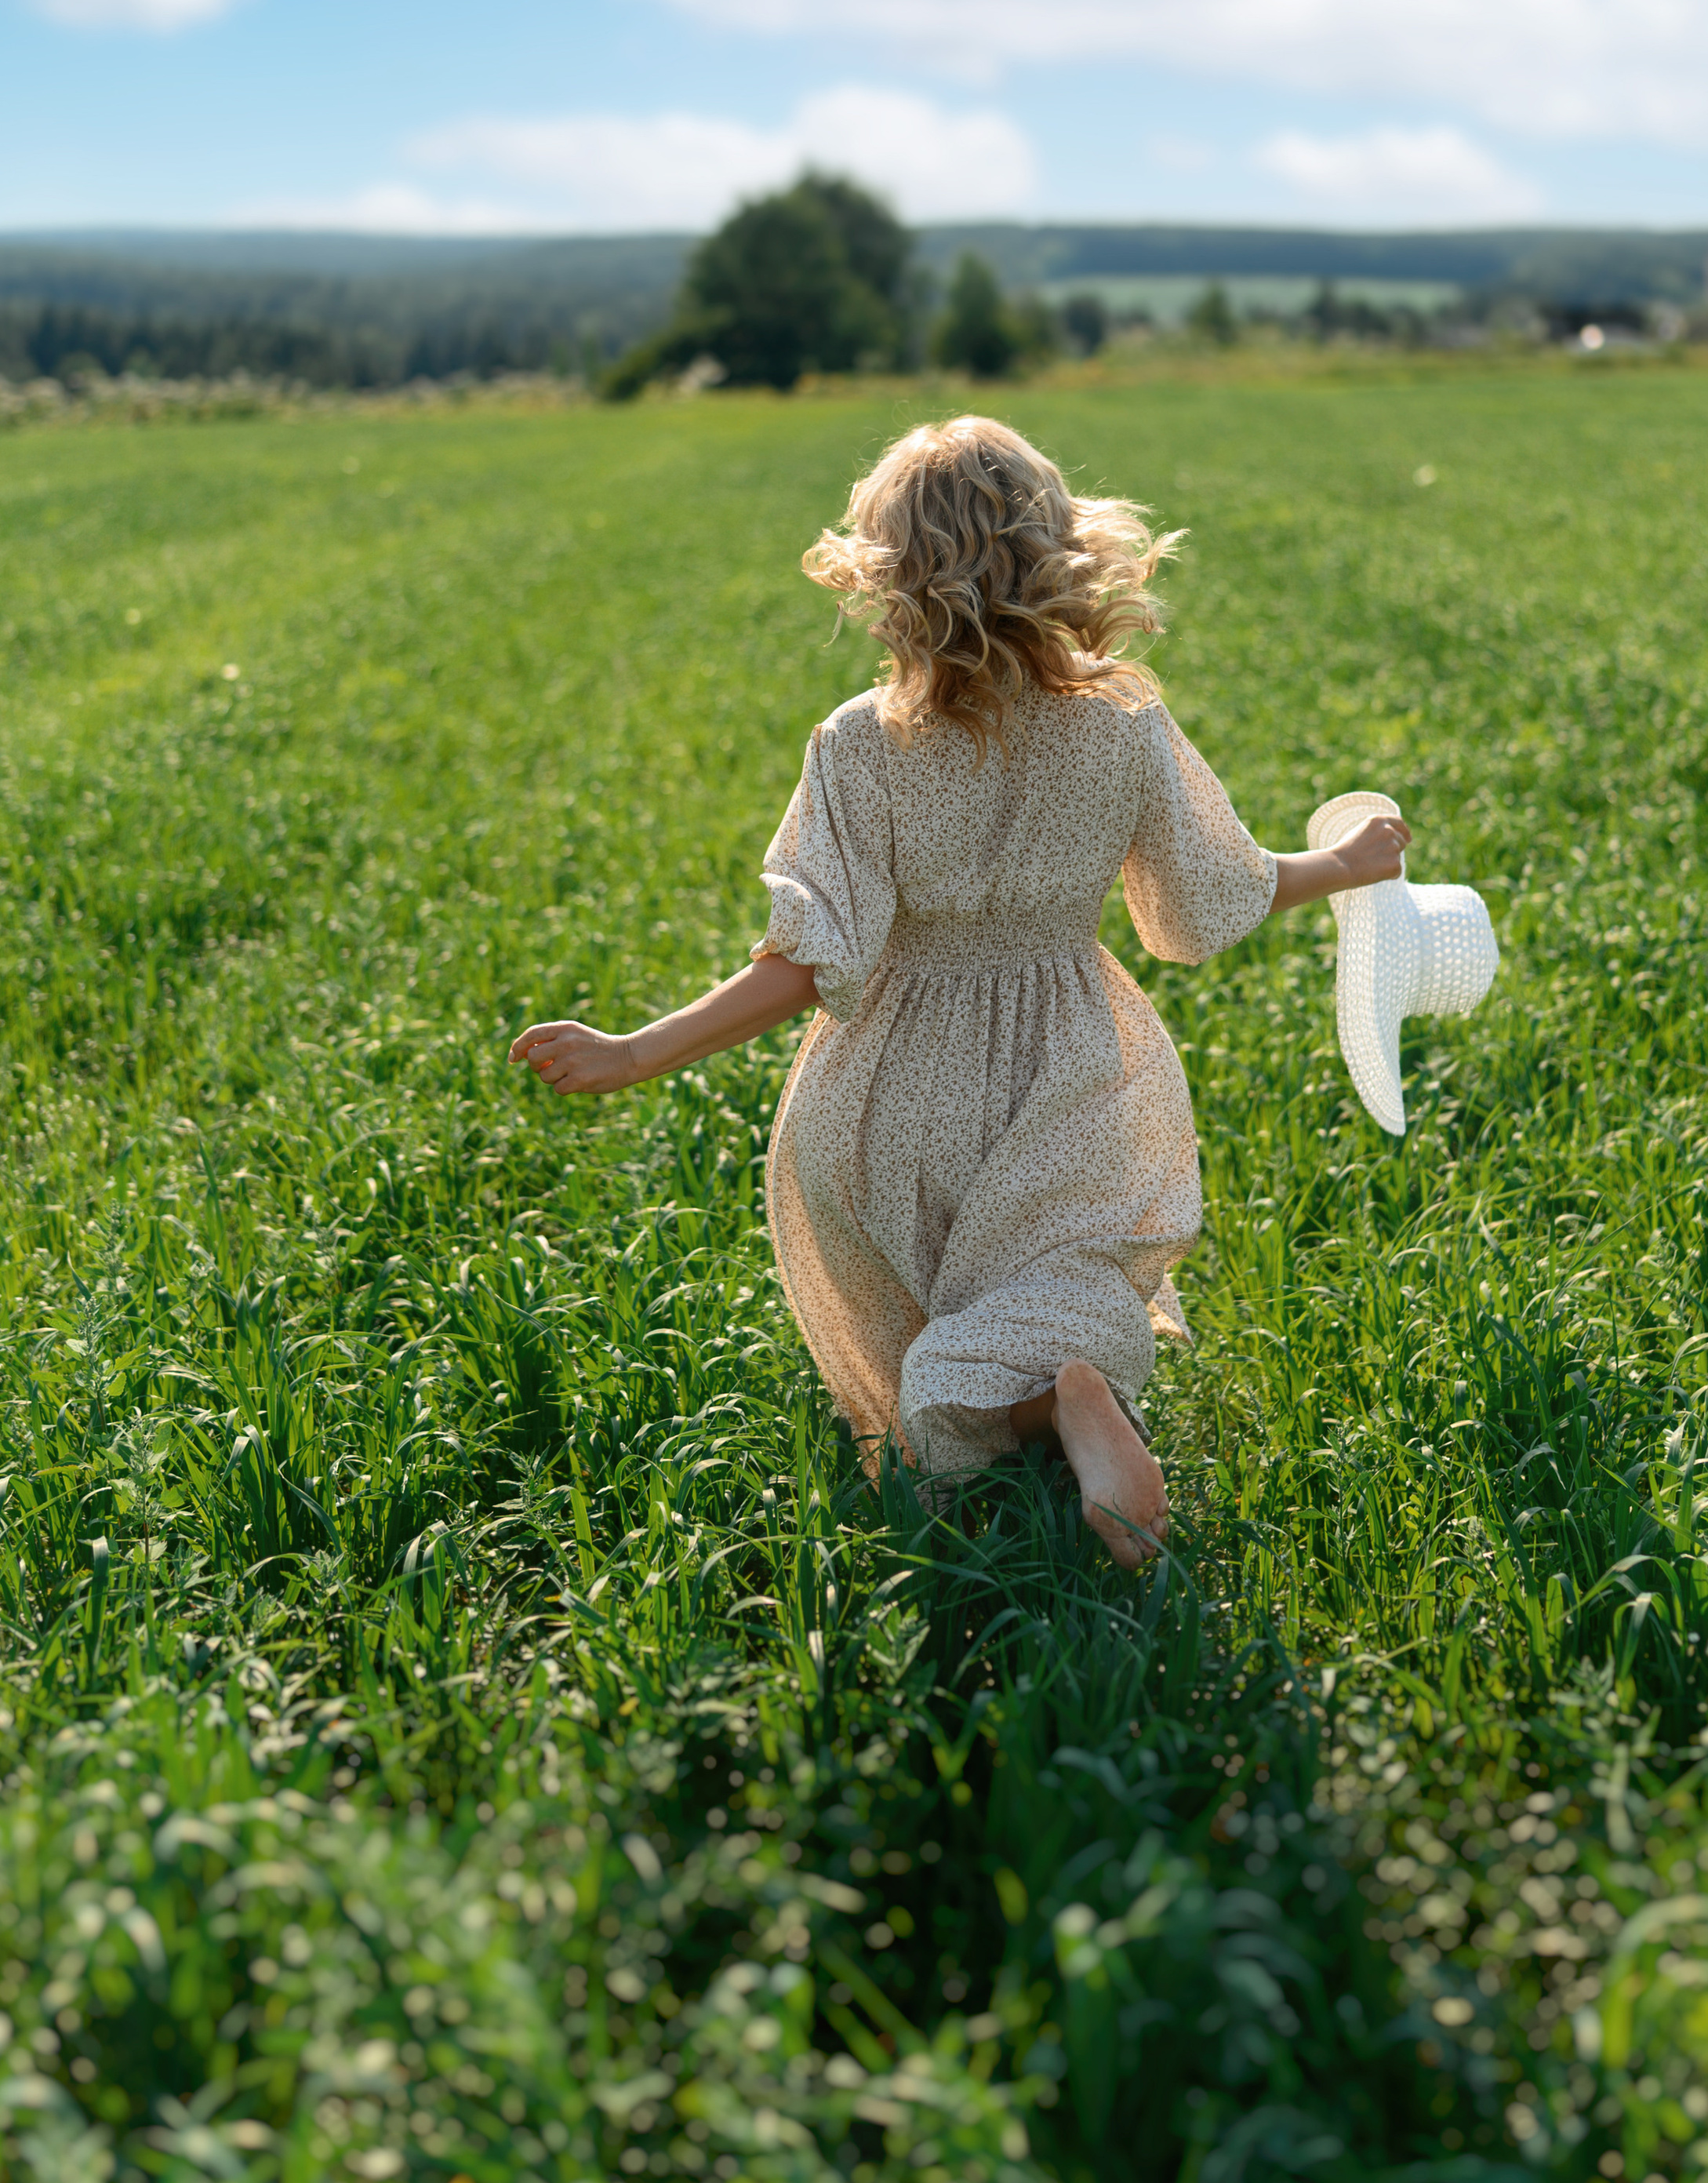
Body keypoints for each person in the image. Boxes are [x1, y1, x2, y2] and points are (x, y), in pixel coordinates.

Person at [511, 417, 1408, 1568]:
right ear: (1058, 551)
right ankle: (1074, 1397)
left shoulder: (859, 745)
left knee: (918, 1372)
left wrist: (636, 1050)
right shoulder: (1121, 722)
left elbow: (805, 961)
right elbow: (1206, 895)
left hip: (890, 1088)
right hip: (1072, 1061)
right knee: (1061, 1278)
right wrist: (1345, 863)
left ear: (888, 581)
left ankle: (1002, 1439)